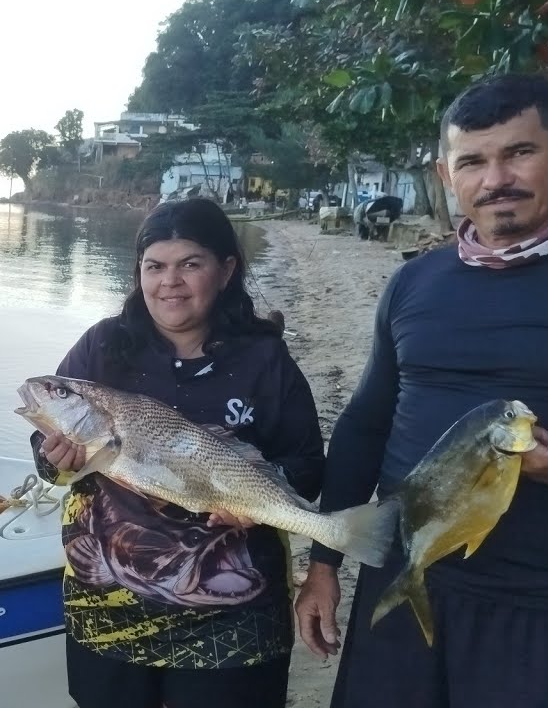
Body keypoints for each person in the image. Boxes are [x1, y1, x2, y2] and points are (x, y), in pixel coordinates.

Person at [293, 73, 548, 708]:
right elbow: (367, 425)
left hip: (543, 602)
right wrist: (323, 564)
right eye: (473, 161)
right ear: (448, 174)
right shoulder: (415, 283)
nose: (495, 179)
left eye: (520, 153)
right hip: (401, 572)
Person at [30, 197, 326, 708]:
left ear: (226, 269)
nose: (171, 281)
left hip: (234, 612)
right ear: (138, 273)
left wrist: (254, 495)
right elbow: (44, 453)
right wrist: (55, 460)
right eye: (155, 267)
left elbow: (307, 467)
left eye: (190, 264)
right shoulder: (101, 347)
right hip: (108, 604)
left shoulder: (264, 359)